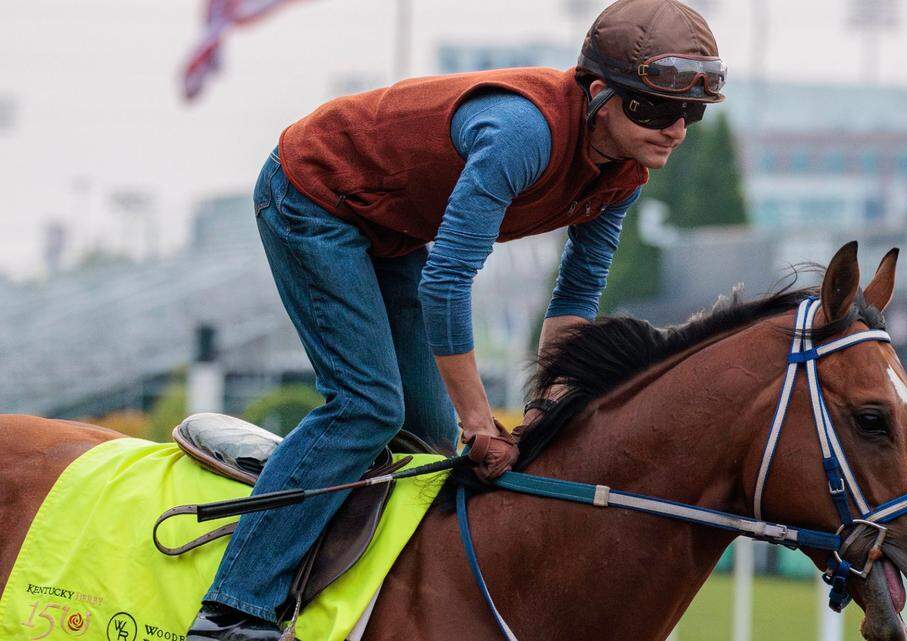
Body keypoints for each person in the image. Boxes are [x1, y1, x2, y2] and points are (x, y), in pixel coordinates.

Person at [187, 0, 726, 638]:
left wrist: (544, 411)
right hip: (313, 195)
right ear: (601, 93)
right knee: (368, 408)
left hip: (390, 230)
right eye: (656, 108)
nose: (676, 129)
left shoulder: (625, 171)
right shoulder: (523, 133)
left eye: (690, 113)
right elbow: (447, 283)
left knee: (428, 442)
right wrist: (479, 421)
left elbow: (577, 292)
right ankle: (231, 610)